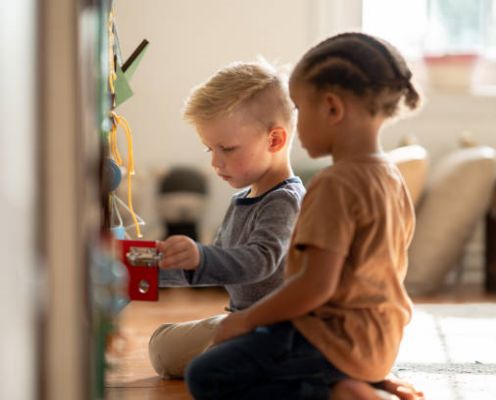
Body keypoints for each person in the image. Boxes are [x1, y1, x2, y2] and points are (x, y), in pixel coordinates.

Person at [184, 32, 425, 400]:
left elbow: (315, 287)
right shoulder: (391, 176)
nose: (294, 120)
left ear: (331, 109)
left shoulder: (335, 184)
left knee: (207, 374)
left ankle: (340, 392)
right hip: (383, 338)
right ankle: (364, 381)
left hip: (334, 341)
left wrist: (246, 320)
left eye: (298, 106)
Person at [148, 61, 306, 378]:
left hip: (277, 327)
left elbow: (260, 261)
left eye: (227, 149)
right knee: (162, 340)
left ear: (274, 140)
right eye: (210, 148)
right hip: (245, 321)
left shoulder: (284, 200)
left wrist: (201, 255)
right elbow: (219, 267)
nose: (216, 162)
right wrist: (151, 274)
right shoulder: (243, 200)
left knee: (165, 350)